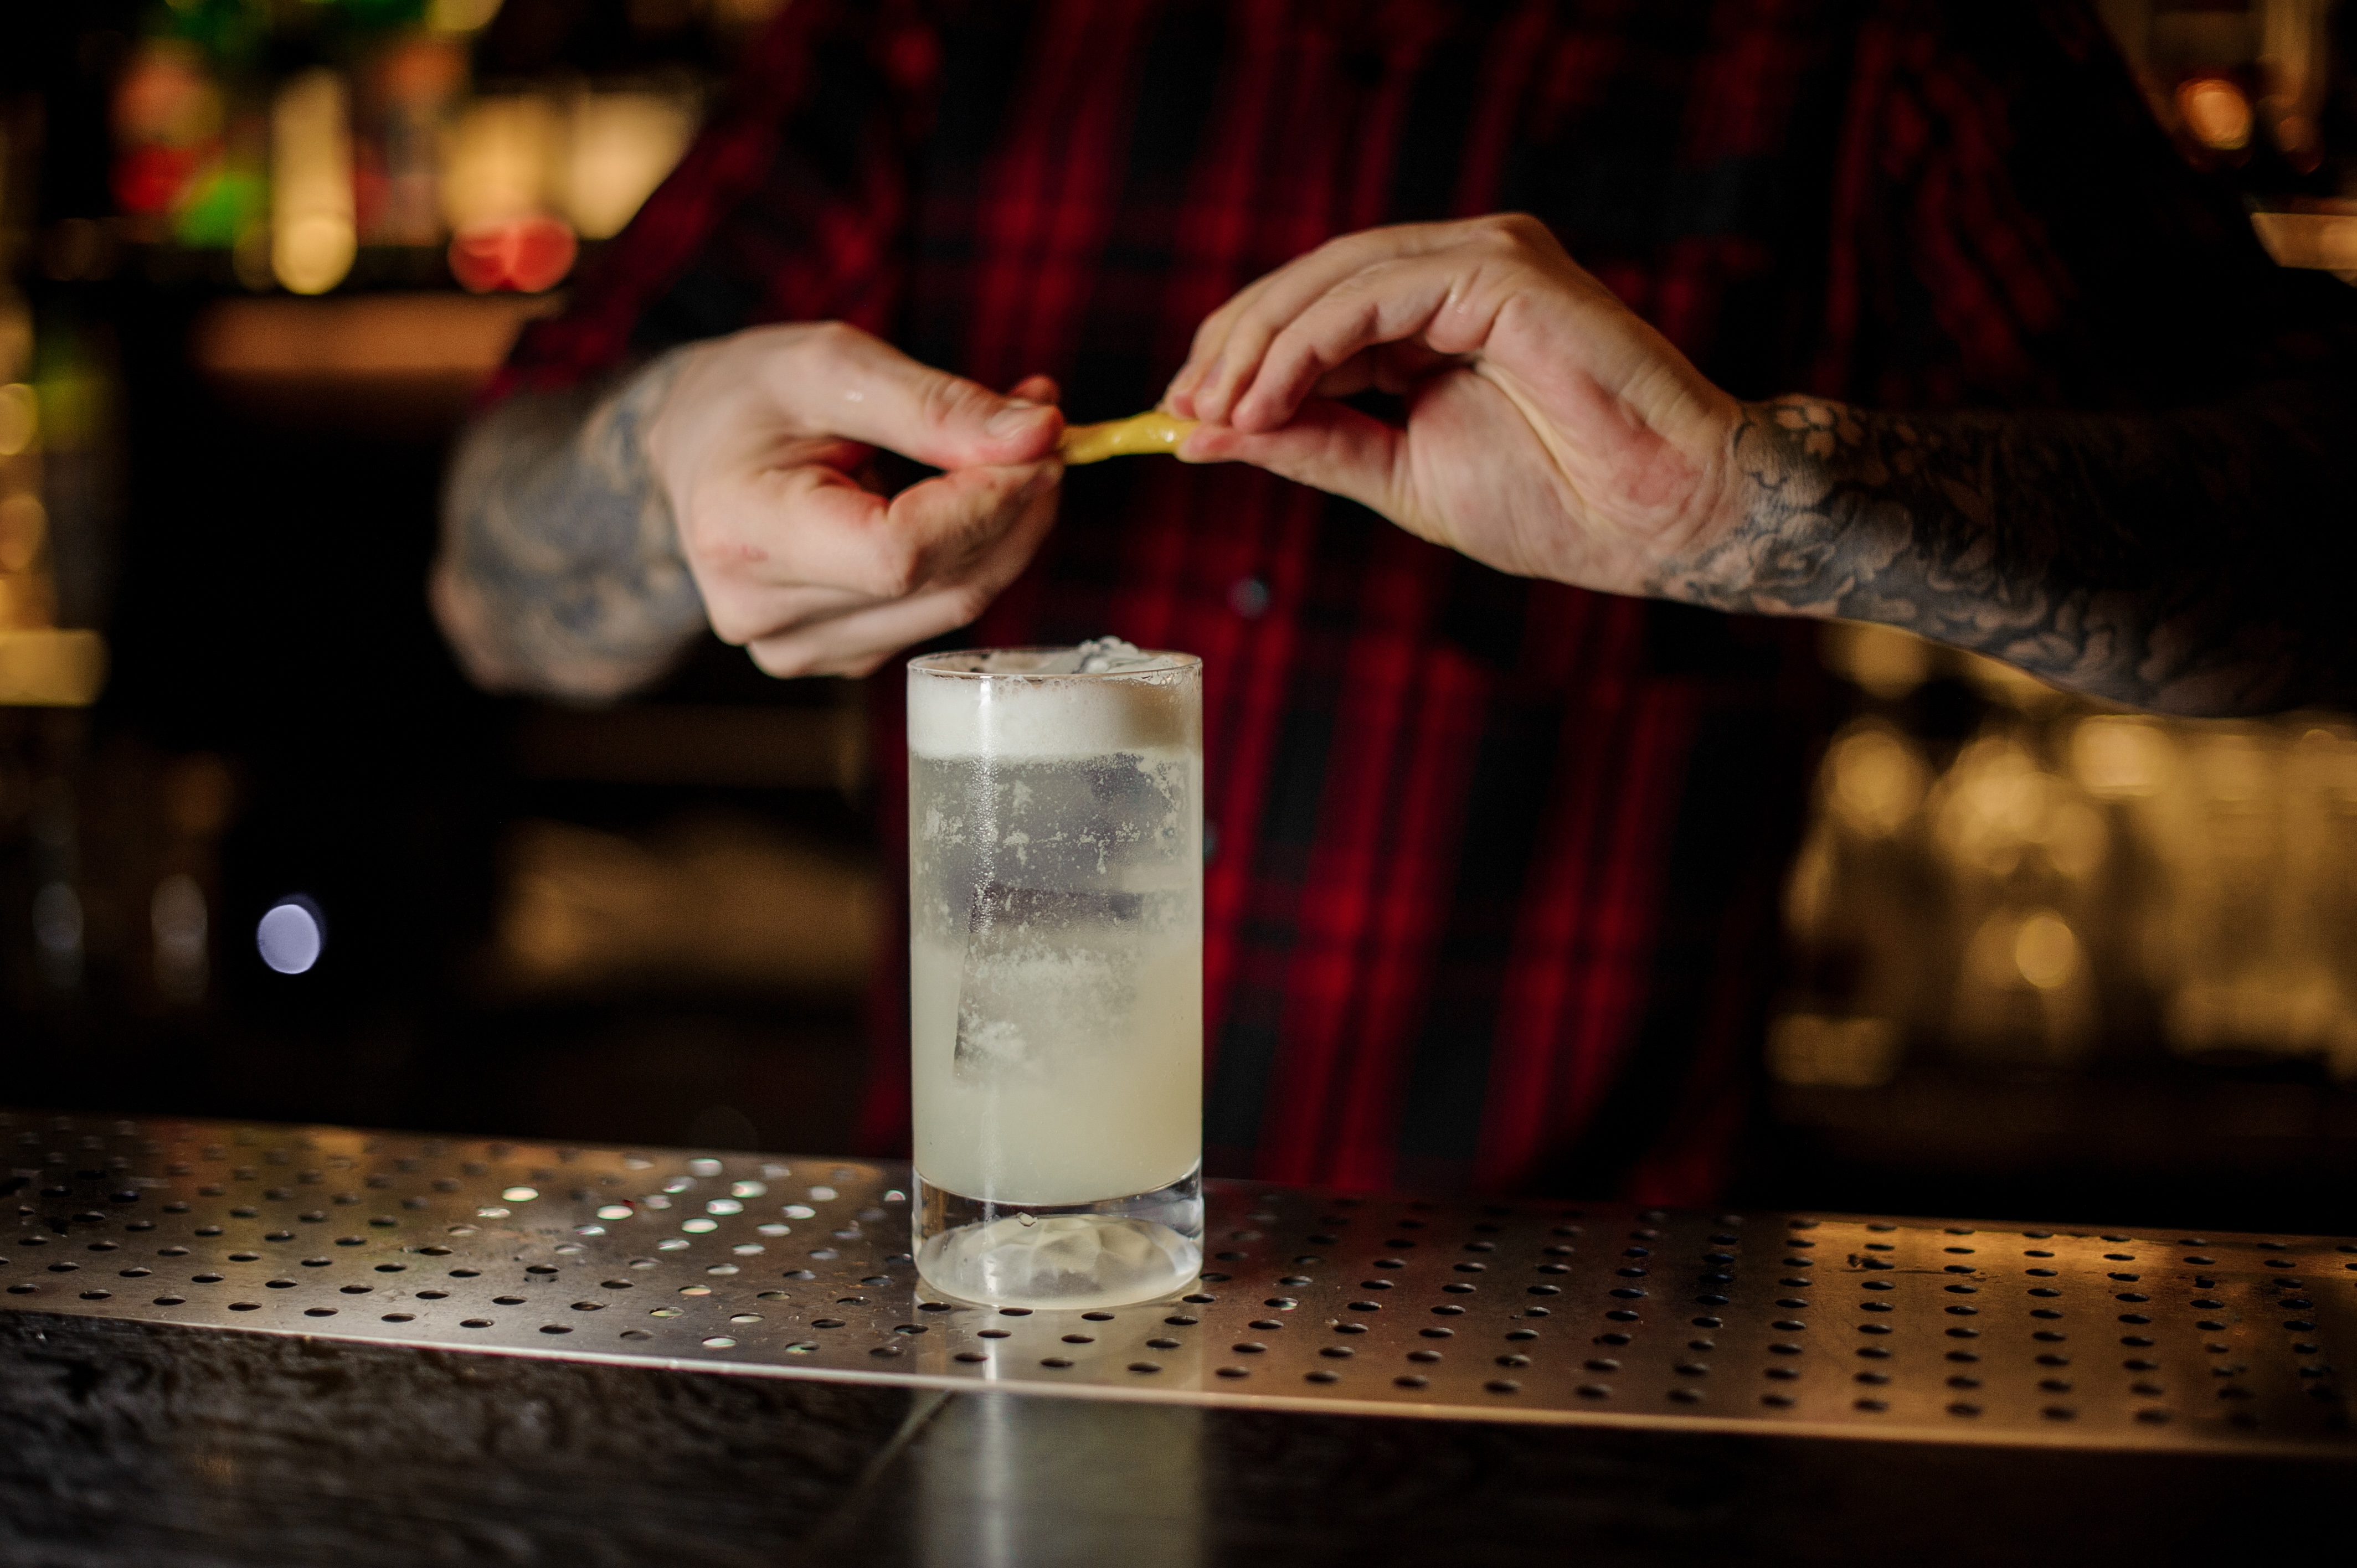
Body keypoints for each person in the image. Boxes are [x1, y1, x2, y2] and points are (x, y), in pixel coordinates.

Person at [434, 0, 2357, 1201]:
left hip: (1596, 1361)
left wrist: (1762, 502)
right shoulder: (940, 33)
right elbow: (490, 591)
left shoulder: (1869, 40)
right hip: (1002, 1314)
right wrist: (667, 453)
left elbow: (2324, 553)